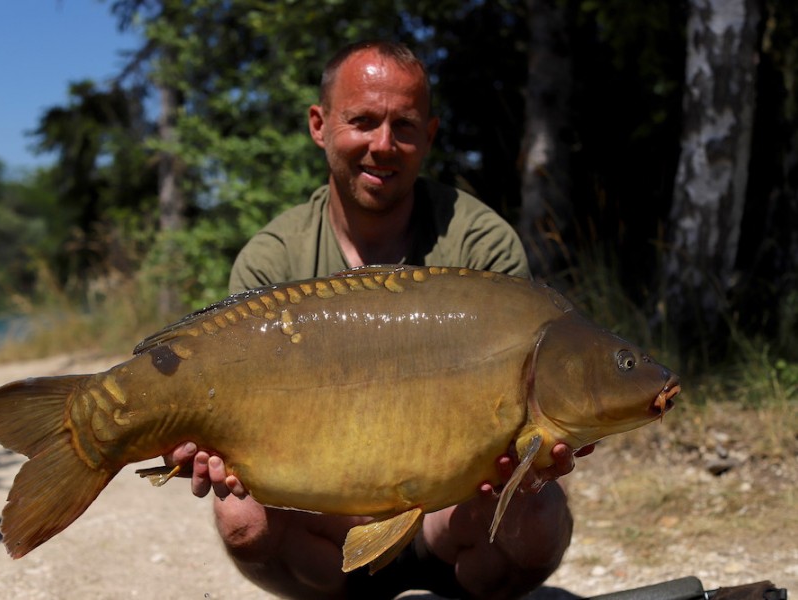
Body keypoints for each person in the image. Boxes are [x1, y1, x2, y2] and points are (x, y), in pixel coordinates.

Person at [166, 40, 593, 599]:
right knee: (242, 518)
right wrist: (202, 444)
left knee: (537, 518)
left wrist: (535, 454)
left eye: (405, 126)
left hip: (455, 522)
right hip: (328, 530)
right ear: (319, 125)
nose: (383, 146)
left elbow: (533, 409)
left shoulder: (480, 244)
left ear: (431, 135)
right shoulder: (274, 258)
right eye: (363, 121)